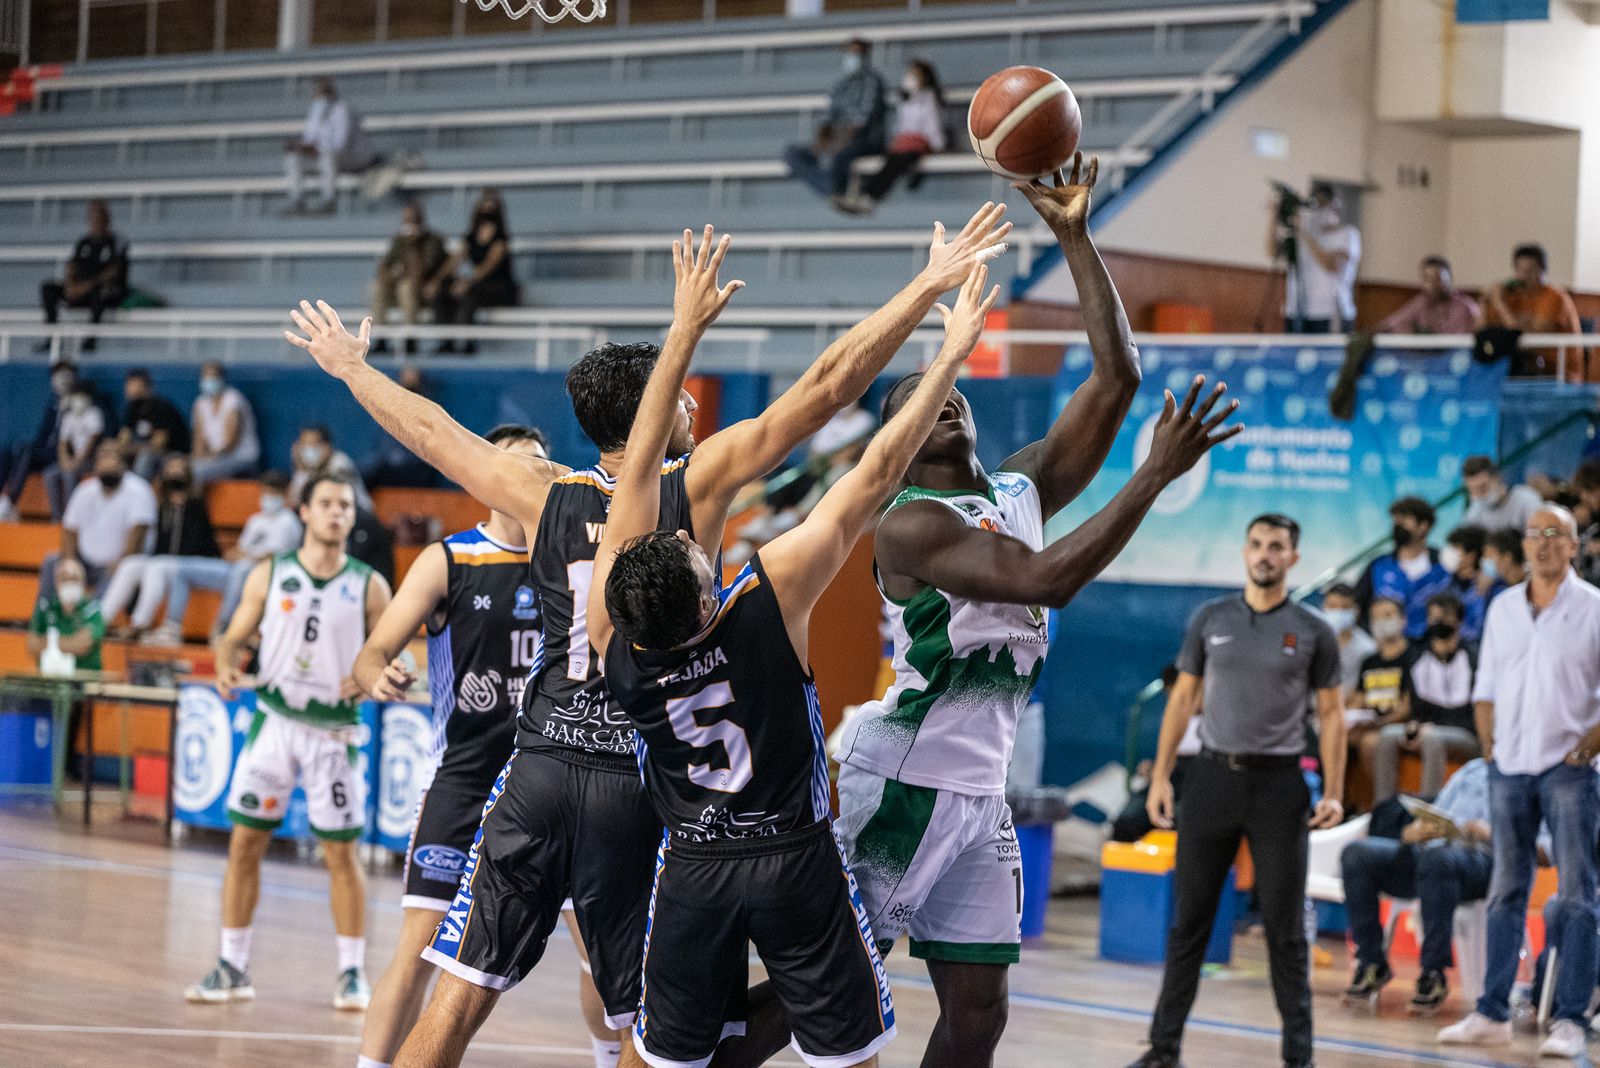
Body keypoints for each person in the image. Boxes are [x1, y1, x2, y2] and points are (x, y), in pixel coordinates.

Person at [284, 205, 1010, 1068]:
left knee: (460, 996)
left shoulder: (537, 489)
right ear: (659, 411)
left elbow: (429, 431)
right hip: (642, 784)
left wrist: (351, 371)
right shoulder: (696, 488)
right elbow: (827, 391)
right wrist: (925, 289)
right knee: (656, 1031)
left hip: (544, 760)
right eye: (680, 397)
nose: (694, 407)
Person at [835, 155, 1239, 1068]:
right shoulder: (911, 525)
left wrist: (1073, 234)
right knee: (823, 1000)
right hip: (902, 785)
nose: (940, 403)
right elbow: (1048, 578)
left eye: (947, 392)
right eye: (915, 402)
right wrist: (1151, 477)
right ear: (894, 450)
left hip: (981, 795)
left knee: (980, 1016)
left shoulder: (1017, 486)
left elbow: (1118, 377)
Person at [585, 241, 1008, 1068]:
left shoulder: (614, 647)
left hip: (695, 865)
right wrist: (949, 353)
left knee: (663, 1057)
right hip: (795, 860)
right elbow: (879, 467)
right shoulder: (768, 596)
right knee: (849, 1056)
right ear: (707, 594)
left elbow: (634, 475)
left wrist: (680, 335)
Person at [352, 425, 623, 1068]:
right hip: (468, 779)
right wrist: (378, 676)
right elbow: (371, 653)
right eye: (516, 464)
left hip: (559, 773)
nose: (531, 473)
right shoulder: (449, 559)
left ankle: (607, 1056)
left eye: (540, 462)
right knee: (420, 944)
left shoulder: (574, 554)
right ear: (482, 475)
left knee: (598, 953)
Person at [1131, 514, 1346, 1068]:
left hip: (1280, 785)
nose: (1264, 554)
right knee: (1189, 924)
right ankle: (1162, 1051)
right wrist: (1160, 777)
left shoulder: (1315, 630)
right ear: (1244, 552)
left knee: (1284, 931)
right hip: (1211, 780)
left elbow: (1332, 715)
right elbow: (1182, 701)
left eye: (1276, 546)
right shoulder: (1210, 619)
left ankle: (1299, 1058)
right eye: (1256, 544)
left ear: (1293, 558)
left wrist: (1335, 791)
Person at [185, 473, 392, 1010]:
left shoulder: (370, 584)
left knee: (341, 854)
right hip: (274, 722)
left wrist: (379, 674)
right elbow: (232, 638)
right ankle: (232, 966)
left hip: (335, 732)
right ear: (304, 512)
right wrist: (228, 666)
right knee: (244, 843)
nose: (336, 513)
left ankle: (351, 974)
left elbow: (396, 652)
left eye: (344, 505)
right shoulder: (270, 573)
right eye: (326, 503)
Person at [1439, 506, 1600, 1060]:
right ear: (1524, 545)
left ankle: (1571, 1018)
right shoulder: (1503, 608)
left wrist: (1586, 749)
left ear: (1575, 545)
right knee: (1505, 889)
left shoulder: (1595, 610)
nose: (1544, 543)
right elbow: (1485, 687)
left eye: (1556, 534)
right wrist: (1488, 746)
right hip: (1509, 764)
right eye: (1535, 534)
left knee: (1577, 895)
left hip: (1568, 769)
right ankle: (1491, 1011)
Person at [1340, 758, 1495, 1015]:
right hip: (1434, 853)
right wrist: (1414, 831)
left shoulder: (1530, 775)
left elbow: (1535, 845)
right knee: (1357, 854)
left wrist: (1488, 833)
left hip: (1482, 862)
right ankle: (1371, 962)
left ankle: (1433, 972)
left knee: (1439, 860)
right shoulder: (1472, 769)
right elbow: (1439, 813)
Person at [147, 470, 300, 643]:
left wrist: (246, 556)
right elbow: (235, 552)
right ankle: (171, 628)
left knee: (242, 569)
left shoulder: (289, 521)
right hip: (236, 570)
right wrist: (243, 555)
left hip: (263, 576)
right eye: (265, 492)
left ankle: (224, 627)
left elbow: (273, 556)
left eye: (273, 493)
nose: (268, 497)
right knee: (182, 569)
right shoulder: (256, 520)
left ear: (284, 494)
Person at [98, 453, 219, 645]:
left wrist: (182, 508)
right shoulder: (160, 505)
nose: (175, 475)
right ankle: (100, 621)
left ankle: (140, 624)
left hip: (187, 563)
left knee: (157, 566)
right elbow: (154, 545)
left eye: (179, 470)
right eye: (171, 469)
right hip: (161, 561)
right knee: (131, 564)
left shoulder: (195, 504)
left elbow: (200, 544)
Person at [1369, 596, 1478, 803]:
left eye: (1444, 617)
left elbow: (1475, 710)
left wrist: (1428, 729)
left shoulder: (1473, 658)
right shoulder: (1419, 658)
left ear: (1458, 621)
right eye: (1433, 617)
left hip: (1465, 733)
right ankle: (1384, 809)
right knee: (1388, 735)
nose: (1438, 622)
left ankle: (1430, 809)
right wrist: (1415, 726)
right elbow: (1416, 707)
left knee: (1431, 737)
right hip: (1428, 726)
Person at [38, 440, 156, 604]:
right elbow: (70, 530)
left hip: (121, 563)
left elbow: (138, 536)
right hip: (85, 563)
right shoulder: (85, 490)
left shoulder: (139, 490)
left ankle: (90, 621)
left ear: (123, 464)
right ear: (95, 465)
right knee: (53, 562)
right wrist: (70, 561)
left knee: (122, 570)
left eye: (113, 459)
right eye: (103, 459)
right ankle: (46, 615)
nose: (107, 463)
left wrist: (120, 562)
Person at [783, 38, 887, 207]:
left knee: (840, 155)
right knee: (793, 153)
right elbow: (828, 117)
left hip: (864, 141)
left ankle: (836, 188)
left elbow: (861, 121)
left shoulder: (872, 82)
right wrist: (821, 140)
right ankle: (831, 188)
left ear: (865, 55)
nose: (852, 57)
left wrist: (839, 142)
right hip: (838, 139)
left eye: (856, 53)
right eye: (849, 53)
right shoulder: (841, 85)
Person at [836, 59, 946, 215]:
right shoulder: (905, 99)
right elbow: (901, 125)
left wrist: (938, 146)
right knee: (887, 163)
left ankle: (869, 196)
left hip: (918, 145)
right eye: (910, 74)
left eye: (915, 75)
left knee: (893, 164)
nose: (910, 77)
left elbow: (932, 124)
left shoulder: (928, 98)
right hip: (902, 144)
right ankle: (864, 194)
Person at [424, 191, 518, 355]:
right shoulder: (471, 236)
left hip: (498, 286)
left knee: (469, 295)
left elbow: (490, 264)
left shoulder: (500, 238)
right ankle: (446, 340)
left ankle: (467, 342)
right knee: (443, 291)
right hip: (477, 283)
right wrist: (437, 280)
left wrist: (468, 281)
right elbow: (455, 260)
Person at [1478, 243, 1587, 381]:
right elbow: (1482, 330)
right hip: (1521, 369)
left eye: (1531, 270)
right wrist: (1484, 302)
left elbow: (1534, 335)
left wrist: (1500, 304)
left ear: (1543, 270)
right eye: (1520, 270)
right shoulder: (1512, 297)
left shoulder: (1555, 297)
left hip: (1557, 373)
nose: (1525, 276)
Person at [1265, 182, 1360, 334]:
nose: (1319, 210)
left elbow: (1330, 265)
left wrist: (1303, 232)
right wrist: (1273, 218)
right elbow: (1271, 252)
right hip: (1297, 310)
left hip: (1329, 313)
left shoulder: (1348, 235)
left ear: (1334, 205)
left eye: (1323, 204)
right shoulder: (1302, 233)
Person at [1355, 496, 1452, 640]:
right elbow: (1358, 605)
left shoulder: (1445, 564)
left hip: (1430, 648)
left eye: (1404, 519)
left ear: (1424, 526)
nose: (1397, 524)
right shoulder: (1378, 565)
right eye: (1395, 519)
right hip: (1386, 649)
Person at [38, 199, 129, 352]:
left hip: (105, 292)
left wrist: (84, 287)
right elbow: (71, 267)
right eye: (92, 217)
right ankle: (52, 337)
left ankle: (90, 340)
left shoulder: (117, 242)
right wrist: (69, 287)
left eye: (99, 216)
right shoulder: (83, 242)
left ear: (107, 218)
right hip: (81, 291)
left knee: (99, 291)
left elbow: (113, 272)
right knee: (48, 288)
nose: (95, 221)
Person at [284, 78, 379, 215]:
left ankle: (328, 201)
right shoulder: (315, 112)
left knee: (327, 155)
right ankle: (297, 201)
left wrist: (316, 149)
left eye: (321, 91)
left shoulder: (342, 109)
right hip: (326, 159)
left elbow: (341, 144)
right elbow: (309, 139)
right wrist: (300, 148)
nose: (318, 95)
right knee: (293, 159)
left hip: (353, 158)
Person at [0, 363, 77, 523]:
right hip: (47, 452)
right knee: (12, 450)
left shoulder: (79, 405)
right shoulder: (53, 404)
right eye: (58, 375)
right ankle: (4, 498)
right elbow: (42, 435)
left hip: (64, 455)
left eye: (66, 375)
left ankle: (10, 501)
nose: (62, 380)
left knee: (28, 452)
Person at [371, 204, 448, 356]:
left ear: (420, 219)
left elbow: (421, 270)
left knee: (406, 287)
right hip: (398, 285)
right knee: (377, 287)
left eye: (412, 219)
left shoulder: (433, 240)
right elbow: (384, 266)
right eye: (406, 219)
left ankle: (410, 339)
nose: (409, 223)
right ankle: (380, 339)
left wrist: (413, 245)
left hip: (424, 289)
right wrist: (388, 276)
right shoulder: (399, 241)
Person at [361, 367, 439, 490]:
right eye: (405, 376)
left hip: (416, 466)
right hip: (391, 467)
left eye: (412, 377)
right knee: (368, 474)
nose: (408, 379)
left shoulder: (427, 409)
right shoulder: (391, 409)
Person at [27, 557, 106, 672]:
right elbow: (32, 646)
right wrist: (70, 642)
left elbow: (82, 646)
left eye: (74, 579)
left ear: (82, 583)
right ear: (56, 582)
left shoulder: (92, 609)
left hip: (85, 681)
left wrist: (47, 642)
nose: (69, 583)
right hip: (50, 679)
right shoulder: (46, 607)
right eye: (64, 579)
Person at [190, 361, 261, 487]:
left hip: (241, 458)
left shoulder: (233, 400)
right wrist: (196, 459)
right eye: (205, 377)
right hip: (214, 458)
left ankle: (196, 506)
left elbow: (230, 443)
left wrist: (208, 459)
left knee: (196, 472)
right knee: (181, 469)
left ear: (222, 379)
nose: (209, 380)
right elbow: (199, 440)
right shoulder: (201, 403)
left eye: (213, 377)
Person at [44, 380, 106, 521]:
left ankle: (72, 517)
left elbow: (92, 440)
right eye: (75, 395)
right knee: (50, 474)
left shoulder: (94, 414)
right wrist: (64, 460)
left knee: (69, 474)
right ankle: (56, 516)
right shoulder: (68, 416)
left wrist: (77, 461)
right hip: (71, 460)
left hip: (89, 460)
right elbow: (62, 443)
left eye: (80, 395)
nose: (77, 399)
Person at [116, 368, 190, 482]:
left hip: (173, 454)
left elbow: (157, 444)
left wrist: (131, 448)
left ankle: (138, 493)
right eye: (127, 384)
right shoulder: (131, 408)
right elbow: (123, 439)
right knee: (110, 451)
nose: (127, 388)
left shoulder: (161, 407)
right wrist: (118, 447)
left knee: (146, 457)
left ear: (145, 386)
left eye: (132, 384)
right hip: (143, 450)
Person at [1377, 256, 1480, 335]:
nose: (1432, 285)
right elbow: (1391, 323)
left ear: (1450, 279)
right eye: (1427, 280)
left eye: (1437, 279)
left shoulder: (1466, 307)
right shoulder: (1420, 302)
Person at [287, 425, 372, 511]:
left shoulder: (340, 462)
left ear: (327, 446)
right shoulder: (304, 468)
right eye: (305, 444)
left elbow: (330, 494)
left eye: (314, 444)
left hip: (358, 513)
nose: (309, 449)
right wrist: (296, 464)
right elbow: (293, 502)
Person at [1320, 582, 1376, 700]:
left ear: (1356, 610)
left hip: (1353, 710)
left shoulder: (1367, 648)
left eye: (1345, 607)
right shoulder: (1314, 643)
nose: (1338, 612)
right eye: (1332, 606)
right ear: (1323, 608)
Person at [1460, 456, 1542, 535]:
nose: (1478, 494)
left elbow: (1539, 535)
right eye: (1472, 489)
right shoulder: (1473, 514)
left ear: (1497, 478)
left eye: (1482, 487)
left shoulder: (1526, 499)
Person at [1441, 524, 1490, 642]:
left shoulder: (1488, 589)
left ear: (1471, 555)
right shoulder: (1445, 585)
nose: (1450, 553)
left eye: (1456, 548)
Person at [1478, 528, 1525, 604]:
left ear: (1507, 558)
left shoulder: (1533, 584)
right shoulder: (1496, 586)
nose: (1485, 560)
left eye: (1489, 555)